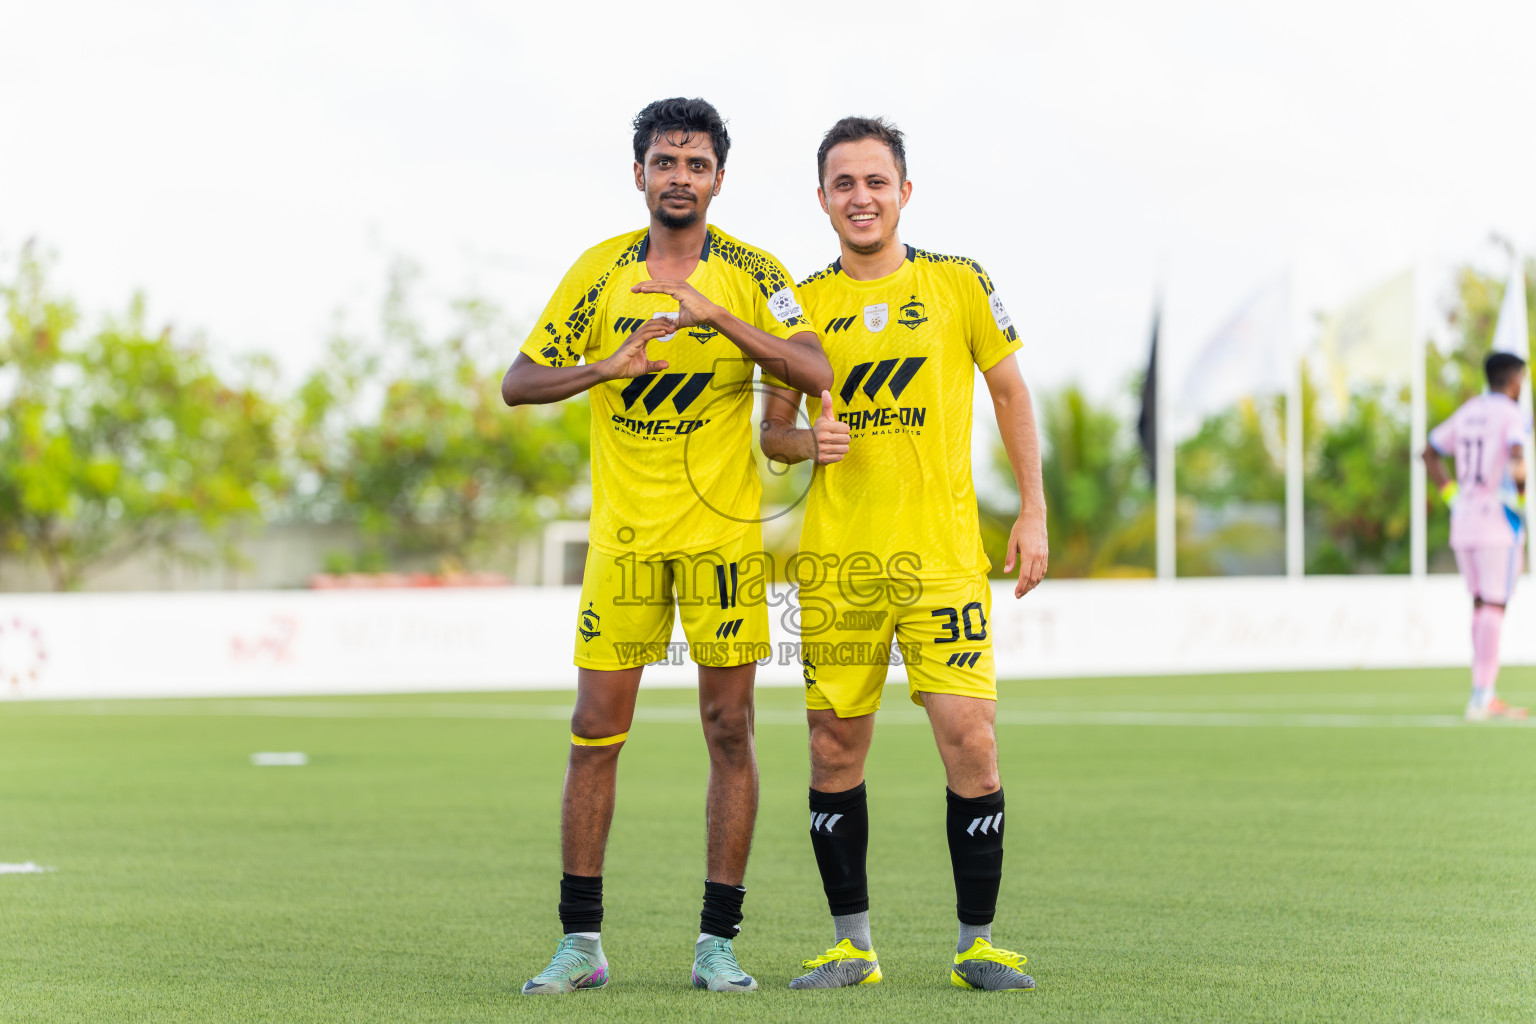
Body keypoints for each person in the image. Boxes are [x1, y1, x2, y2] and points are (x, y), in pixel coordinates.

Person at [503, 97, 831, 995]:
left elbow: (813, 369)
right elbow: (518, 383)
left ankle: (717, 945)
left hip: (721, 543)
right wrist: (604, 368)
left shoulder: (754, 273)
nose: (679, 177)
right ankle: (580, 944)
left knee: (730, 731)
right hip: (625, 544)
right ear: (639, 173)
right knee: (593, 735)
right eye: (664, 162)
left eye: (695, 164)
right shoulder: (597, 272)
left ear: (718, 178)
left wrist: (714, 317)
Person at [759, 116, 1048, 992]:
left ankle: (976, 946)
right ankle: (853, 948)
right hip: (840, 566)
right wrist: (807, 444)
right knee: (832, 747)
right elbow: (772, 432)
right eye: (843, 184)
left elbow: (1009, 391)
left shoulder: (959, 282)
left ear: (905, 192)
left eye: (876, 181)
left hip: (942, 560)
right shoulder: (796, 304)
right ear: (821, 198)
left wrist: (1033, 510)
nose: (861, 198)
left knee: (973, 740)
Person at [1424, 350, 1530, 722]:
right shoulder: (1511, 413)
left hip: (1464, 520)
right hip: (1497, 520)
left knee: (1481, 604)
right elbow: (1516, 452)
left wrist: (1451, 496)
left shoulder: (1469, 411)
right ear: (1514, 380)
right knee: (1495, 605)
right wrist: (1522, 497)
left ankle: (1481, 691)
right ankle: (1483, 695)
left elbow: (1430, 452)